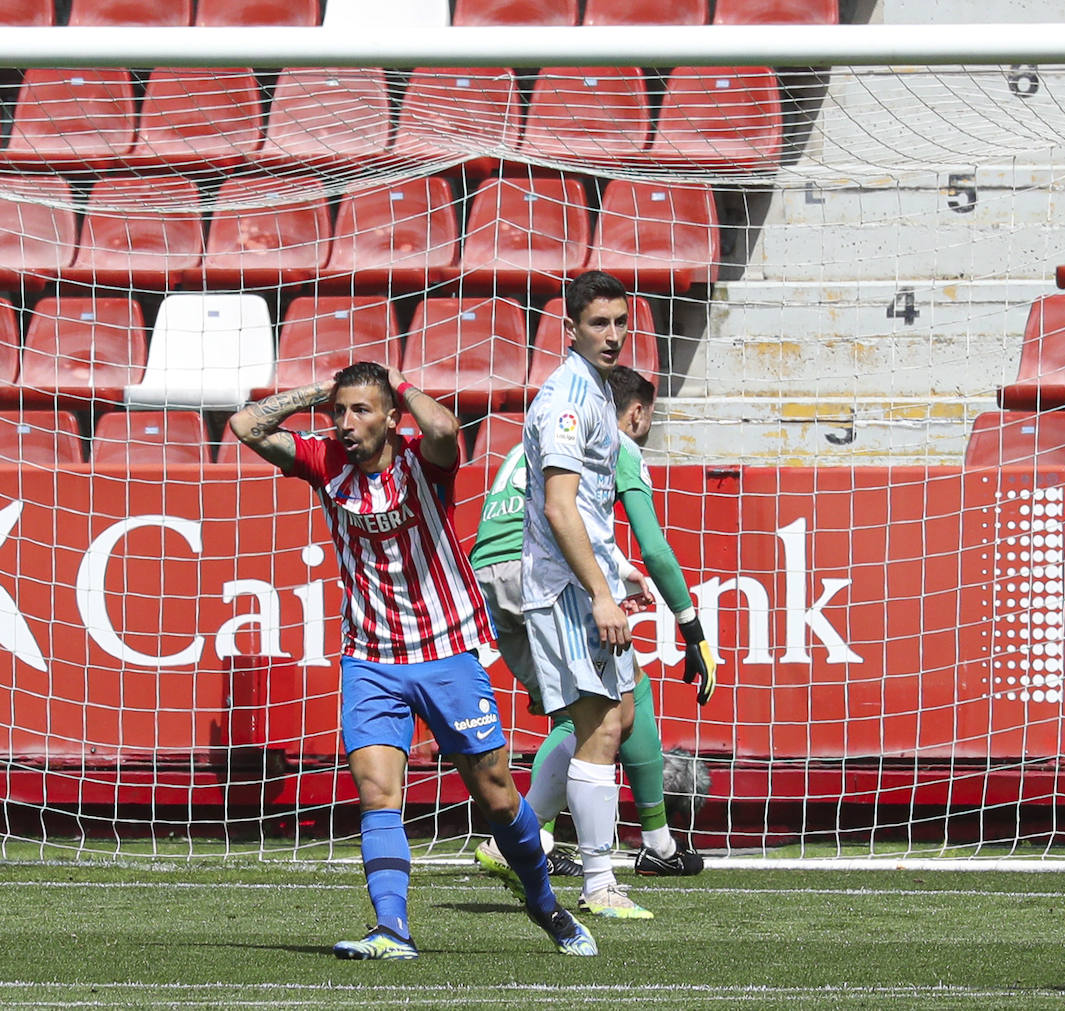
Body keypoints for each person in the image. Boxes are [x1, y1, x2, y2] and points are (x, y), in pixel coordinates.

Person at [228, 361, 597, 960]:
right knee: (377, 793)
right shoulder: (326, 462)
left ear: (392, 418)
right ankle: (392, 929)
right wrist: (322, 391)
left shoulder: (420, 461)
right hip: (369, 658)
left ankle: (544, 902)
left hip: (446, 650)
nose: (345, 424)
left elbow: (447, 429)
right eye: (339, 413)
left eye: (361, 411)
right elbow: (246, 425)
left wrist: (394, 383)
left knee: (498, 795)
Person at [507, 270, 714, 921]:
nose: (613, 335)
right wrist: (601, 592)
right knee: (598, 729)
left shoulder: (596, 392)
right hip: (567, 588)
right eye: (599, 323)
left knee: (609, 720)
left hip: (582, 582)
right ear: (570, 327)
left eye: (621, 323)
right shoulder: (569, 396)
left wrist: (611, 575)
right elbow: (560, 506)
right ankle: (595, 881)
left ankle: (528, 846)